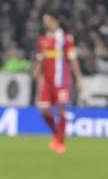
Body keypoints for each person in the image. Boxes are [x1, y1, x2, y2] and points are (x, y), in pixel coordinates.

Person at [32, 13, 82, 154]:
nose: (46, 24)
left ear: (57, 21)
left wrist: (78, 78)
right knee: (43, 109)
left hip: (61, 81)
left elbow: (72, 59)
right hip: (47, 82)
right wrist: (37, 70)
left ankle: (60, 142)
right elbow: (41, 59)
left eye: (48, 21)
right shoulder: (42, 40)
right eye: (45, 21)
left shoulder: (66, 39)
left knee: (61, 110)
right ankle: (57, 135)